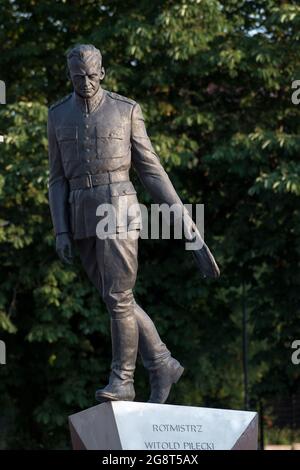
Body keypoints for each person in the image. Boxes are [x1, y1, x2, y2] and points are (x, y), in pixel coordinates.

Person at [47, 44, 220, 404]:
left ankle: (123, 381)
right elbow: (57, 179)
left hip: (119, 207)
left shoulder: (126, 110)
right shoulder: (57, 115)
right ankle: (161, 362)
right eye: (79, 77)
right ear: (69, 77)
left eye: (92, 76)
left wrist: (187, 226)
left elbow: (152, 172)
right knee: (118, 300)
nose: (86, 83)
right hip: (80, 212)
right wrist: (60, 229)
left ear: (103, 73)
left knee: (118, 297)